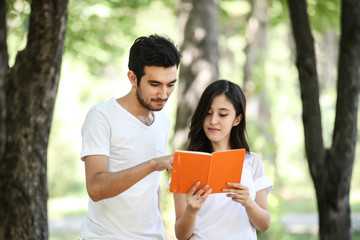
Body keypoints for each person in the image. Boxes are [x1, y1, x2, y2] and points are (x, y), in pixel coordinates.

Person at [80, 34, 181, 239]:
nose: (164, 94)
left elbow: (151, 187)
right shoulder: (101, 117)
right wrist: (153, 164)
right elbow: (96, 188)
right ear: (133, 78)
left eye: (170, 84)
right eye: (155, 84)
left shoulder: (162, 121)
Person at [173, 80, 273, 240]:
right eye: (208, 112)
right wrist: (191, 211)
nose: (213, 121)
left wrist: (248, 202)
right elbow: (181, 235)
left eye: (223, 114)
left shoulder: (251, 161)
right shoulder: (185, 163)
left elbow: (264, 224)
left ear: (237, 119)